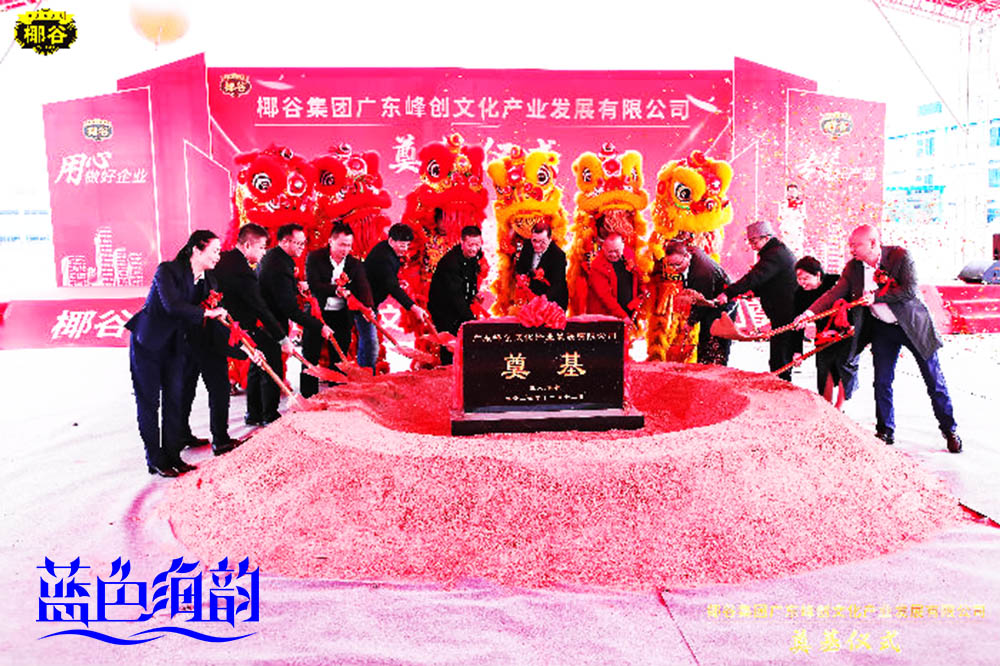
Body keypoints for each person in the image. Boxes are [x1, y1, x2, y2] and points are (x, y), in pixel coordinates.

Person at [795, 225, 961, 453]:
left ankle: (949, 430)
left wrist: (876, 297)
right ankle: (885, 431)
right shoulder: (853, 268)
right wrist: (809, 314)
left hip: (913, 327)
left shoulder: (900, 256)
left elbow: (909, 290)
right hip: (882, 329)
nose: (851, 249)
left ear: (873, 243)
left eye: (856, 245)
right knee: (882, 381)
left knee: (933, 379)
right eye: (850, 245)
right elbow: (835, 293)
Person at [125, 230, 228, 477]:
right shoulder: (167, 271)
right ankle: (155, 459)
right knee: (149, 402)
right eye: (214, 251)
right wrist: (207, 313)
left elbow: (208, 315)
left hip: (177, 346)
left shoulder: (209, 282)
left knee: (175, 399)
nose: (218, 256)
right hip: (148, 344)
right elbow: (172, 306)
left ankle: (173, 456)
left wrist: (238, 344)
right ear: (197, 250)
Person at [214, 223, 298, 428]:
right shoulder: (243, 271)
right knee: (272, 355)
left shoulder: (224, 259)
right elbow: (260, 308)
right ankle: (269, 414)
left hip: (234, 324)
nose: (263, 252)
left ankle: (253, 413)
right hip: (235, 328)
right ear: (247, 245)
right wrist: (283, 339)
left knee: (257, 362)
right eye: (261, 247)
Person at [715, 220, 798, 380]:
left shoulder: (775, 255)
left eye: (754, 241)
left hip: (786, 310)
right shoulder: (775, 251)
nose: (752, 246)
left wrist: (728, 293)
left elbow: (755, 277)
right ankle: (780, 381)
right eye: (750, 242)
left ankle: (782, 384)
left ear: (766, 237)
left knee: (780, 353)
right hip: (783, 308)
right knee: (779, 351)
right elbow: (769, 280)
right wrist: (754, 292)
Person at [303, 222, 373, 397]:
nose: (345, 249)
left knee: (339, 358)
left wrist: (368, 308)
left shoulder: (355, 264)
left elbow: (363, 287)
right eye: (342, 244)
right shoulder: (315, 258)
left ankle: (336, 396)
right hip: (317, 313)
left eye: (349, 245)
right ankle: (308, 397)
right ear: (330, 241)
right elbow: (314, 285)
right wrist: (336, 290)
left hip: (341, 315)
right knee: (310, 356)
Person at [792, 256, 859, 410]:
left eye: (805, 278)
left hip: (847, 331)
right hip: (823, 335)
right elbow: (798, 325)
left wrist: (855, 327)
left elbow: (854, 305)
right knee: (824, 368)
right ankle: (827, 408)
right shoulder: (799, 294)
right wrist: (797, 351)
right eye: (799, 278)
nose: (802, 282)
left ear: (818, 275)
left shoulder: (836, 282)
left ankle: (839, 407)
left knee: (845, 367)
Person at [362, 223, 430, 368]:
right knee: (370, 343)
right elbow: (392, 287)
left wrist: (397, 281)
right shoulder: (384, 257)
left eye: (407, 245)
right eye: (402, 245)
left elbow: (387, 279)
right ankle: (365, 376)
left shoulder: (388, 250)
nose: (405, 249)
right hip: (362, 304)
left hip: (370, 302)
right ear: (391, 240)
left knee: (370, 342)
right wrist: (414, 307)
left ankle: (367, 373)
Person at [662, 240, 733, 365]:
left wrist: (691, 322)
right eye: (670, 265)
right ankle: (704, 364)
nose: (674, 269)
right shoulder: (689, 253)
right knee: (704, 340)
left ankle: (716, 369)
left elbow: (702, 303)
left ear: (687, 257)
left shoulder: (702, 273)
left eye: (677, 264)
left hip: (722, 303)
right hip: (708, 299)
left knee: (714, 344)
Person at [428, 226, 485, 365]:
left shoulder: (475, 255)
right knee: (449, 342)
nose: (474, 249)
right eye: (470, 245)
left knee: (462, 341)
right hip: (443, 307)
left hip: (458, 302)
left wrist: (474, 293)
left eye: (477, 244)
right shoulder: (451, 263)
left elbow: (471, 276)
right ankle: (448, 370)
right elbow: (456, 297)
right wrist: (471, 321)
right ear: (462, 242)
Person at [584, 233, 639, 322]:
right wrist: (623, 316)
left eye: (616, 251)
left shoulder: (629, 255)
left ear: (622, 247)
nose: (613, 255)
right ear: (603, 248)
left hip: (629, 312)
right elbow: (606, 297)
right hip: (606, 318)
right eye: (610, 251)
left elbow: (637, 275)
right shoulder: (597, 266)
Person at [514, 220, 568, 310]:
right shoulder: (527, 245)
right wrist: (522, 276)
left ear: (550, 239)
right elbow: (520, 266)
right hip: (531, 296)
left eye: (542, 242)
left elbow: (557, 284)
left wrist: (542, 301)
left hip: (553, 300)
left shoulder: (558, 255)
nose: (537, 245)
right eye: (534, 240)